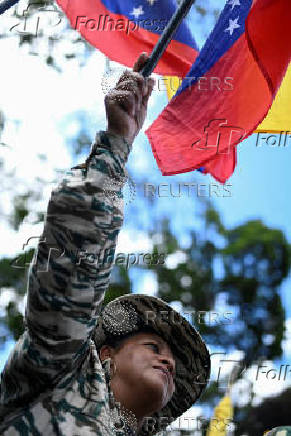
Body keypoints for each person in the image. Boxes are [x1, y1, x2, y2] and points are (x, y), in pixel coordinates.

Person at [0, 52, 210, 436]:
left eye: (170, 360)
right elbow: (73, 271)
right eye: (153, 346)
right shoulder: (60, 369)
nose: (169, 362)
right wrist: (117, 142)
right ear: (107, 356)